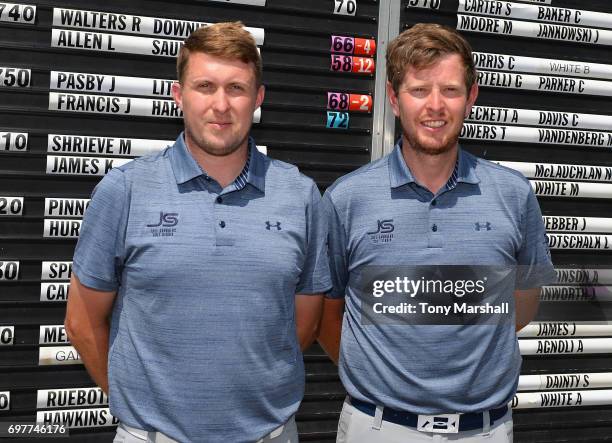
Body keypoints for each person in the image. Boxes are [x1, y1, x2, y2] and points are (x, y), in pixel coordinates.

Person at [65, 22, 331, 443]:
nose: (220, 105)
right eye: (205, 86)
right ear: (179, 95)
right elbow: (82, 322)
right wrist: (137, 409)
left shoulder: (300, 195)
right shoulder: (124, 190)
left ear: (258, 98)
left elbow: (303, 322)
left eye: (237, 89)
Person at [318, 23, 556, 442]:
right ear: (394, 98)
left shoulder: (514, 196)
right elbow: (327, 316)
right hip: (376, 428)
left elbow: (522, 305)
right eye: (419, 90)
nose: (435, 106)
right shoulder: (347, 199)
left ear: (471, 97)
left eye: (449, 90)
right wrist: (384, 376)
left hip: (485, 430)